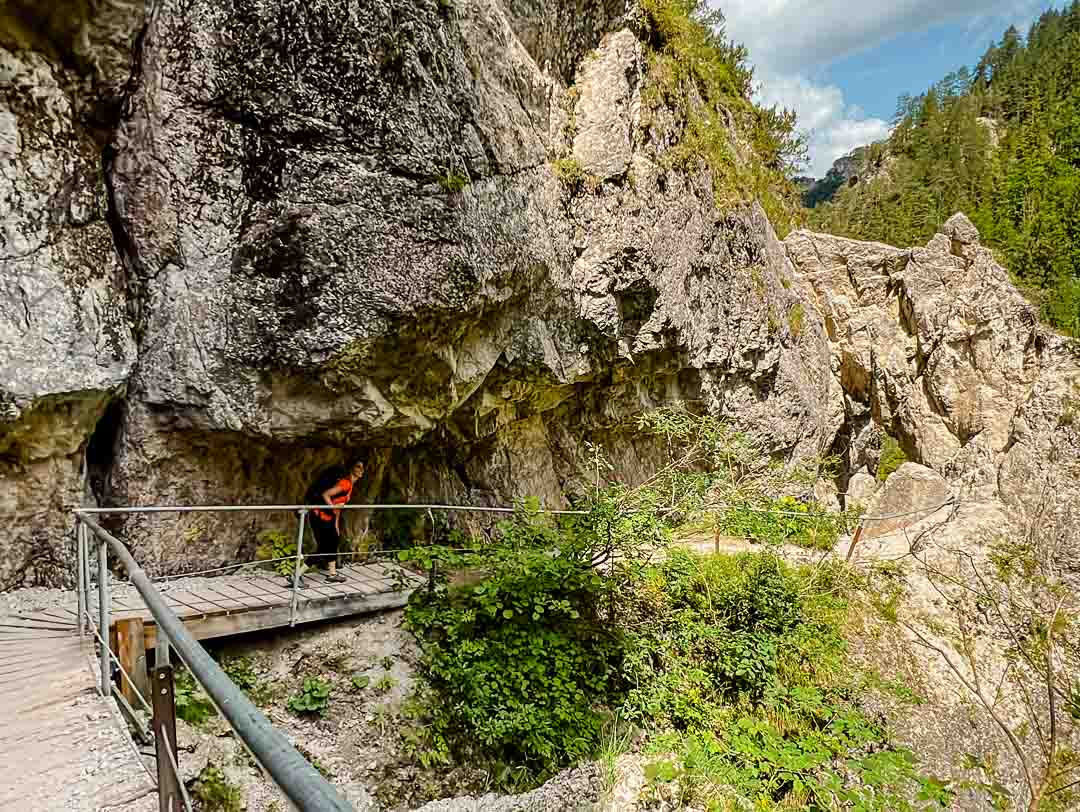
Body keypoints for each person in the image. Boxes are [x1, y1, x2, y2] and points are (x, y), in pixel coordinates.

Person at [303, 459, 364, 584]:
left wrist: (335, 524)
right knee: (324, 547)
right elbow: (326, 495)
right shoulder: (345, 483)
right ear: (352, 468)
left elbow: (339, 506)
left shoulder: (350, 485)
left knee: (333, 542)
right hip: (320, 516)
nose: (362, 470)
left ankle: (332, 574)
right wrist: (331, 510)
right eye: (358, 466)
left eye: (362, 467)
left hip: (328, 517)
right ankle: (297, 574)